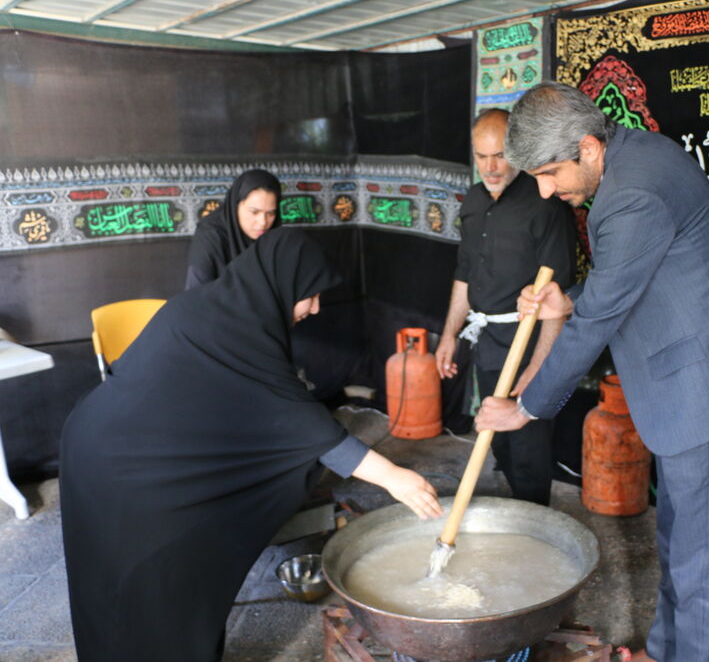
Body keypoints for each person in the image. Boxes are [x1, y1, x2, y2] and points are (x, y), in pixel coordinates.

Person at [475, 82, 709, 662]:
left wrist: (528, 405)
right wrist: (568, 300)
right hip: (687, 381)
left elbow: (600, 320)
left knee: (701, 573)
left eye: (549, 173)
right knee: (677, 546)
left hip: (706, 391)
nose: (543, 189)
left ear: (587, 147)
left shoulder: (630, 197)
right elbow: (627, 278)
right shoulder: (636, 152)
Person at [60, 229, 442, 662]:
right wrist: (394, 478)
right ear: (281, 283)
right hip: (124, 472)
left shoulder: (214, 309)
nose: (315, 308)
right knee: (147, 585)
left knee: (144, 588)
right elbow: (302, 424)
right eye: (310, 295)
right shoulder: (233, 331)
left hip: (104, 449)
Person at [435, 108, 575, 506]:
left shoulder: (545, 204)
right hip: (486, 340)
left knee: (529, 449)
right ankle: (512, 517)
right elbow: (465, 273)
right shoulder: (474, 200)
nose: (490, 167)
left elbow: (559, 300)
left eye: (499, 155)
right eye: (481, 156)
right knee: (499, 445)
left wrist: (536, 368)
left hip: (528, 342)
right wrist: (449, 337)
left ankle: (533, 525)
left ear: (516, 150)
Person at [185, 168, 282, 289]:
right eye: (254, 212)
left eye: (270, 213)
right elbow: (196, 294)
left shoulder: (275, 238)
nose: (263, 222)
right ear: (235, 206)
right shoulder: (210, 236)